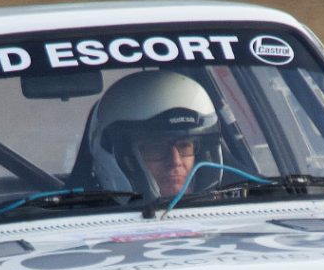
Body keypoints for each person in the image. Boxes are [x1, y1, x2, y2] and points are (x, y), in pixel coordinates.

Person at [86, 71, 222, 199]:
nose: (175, 162)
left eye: (184, 146)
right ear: (124, 159)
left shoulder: (231, 206)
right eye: (157, 148)